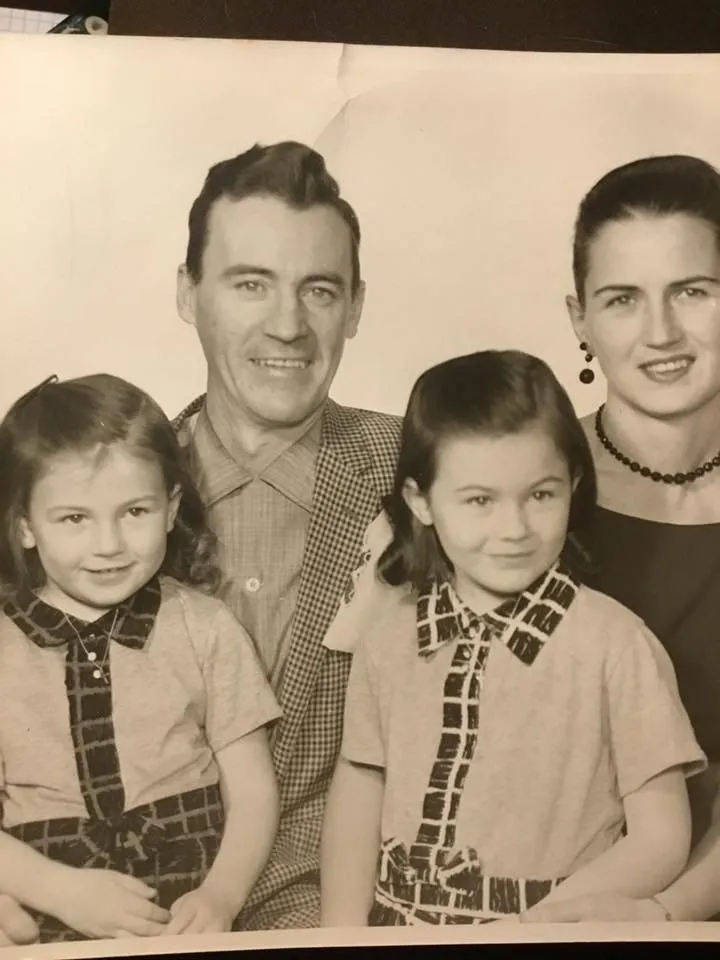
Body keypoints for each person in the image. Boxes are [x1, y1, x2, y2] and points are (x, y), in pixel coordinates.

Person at [325, 154, 720, 924]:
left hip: (627, 913)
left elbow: (662, 836)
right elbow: (365, 764)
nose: (661, 332)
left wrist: (661, 914)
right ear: (580, 320)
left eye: (693, 291)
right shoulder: (494, 464)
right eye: (622, 299)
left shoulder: (611, 638)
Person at [172, 142, 402, 930]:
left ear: (356, 306)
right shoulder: (93, 491)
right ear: (187, 293)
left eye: (319, 290)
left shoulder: (426, 472)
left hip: (348, 911)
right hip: (122, 908)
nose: (288, 325)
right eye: (250, 284)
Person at [0, 373, 281, 943]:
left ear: (171, 508)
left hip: (187, 914)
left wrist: (222, 896)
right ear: (25, 525)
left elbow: (252, 792)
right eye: (75, 518)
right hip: (47, 909)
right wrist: (58, 891)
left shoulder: (204, 626)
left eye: (134, 512)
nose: (109, 545)